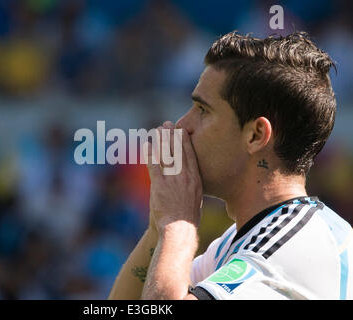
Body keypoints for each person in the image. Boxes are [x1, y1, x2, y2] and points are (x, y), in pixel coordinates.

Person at [108, 31, 353, 300]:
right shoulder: (237, 241)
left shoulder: (293, 245)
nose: (181, 125)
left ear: (256, 135)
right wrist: (158, 227)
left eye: (203, 110)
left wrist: (176, 223)